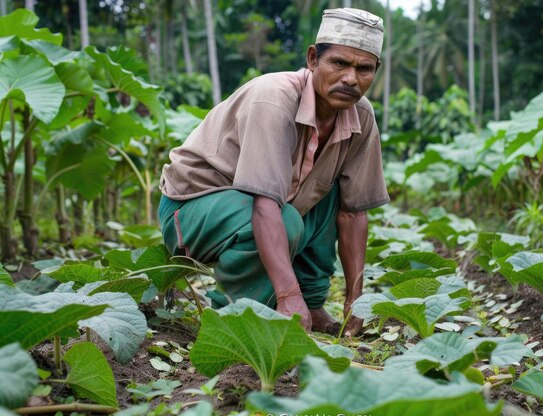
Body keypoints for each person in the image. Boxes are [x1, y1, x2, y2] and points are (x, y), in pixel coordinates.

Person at [158, 8, 389, 337]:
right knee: (286, 219)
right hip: (190, 209)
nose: (351, 78)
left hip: (267, 206)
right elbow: (264, 204)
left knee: (334, 196)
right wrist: (287, 295)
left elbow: (353, 214)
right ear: (313, 59)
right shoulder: (275, 99)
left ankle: (309, 304)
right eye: (339, 63)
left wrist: (356, 299)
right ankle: (238, 313)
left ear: (375, 70)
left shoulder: (361, 116)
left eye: (363, 68)